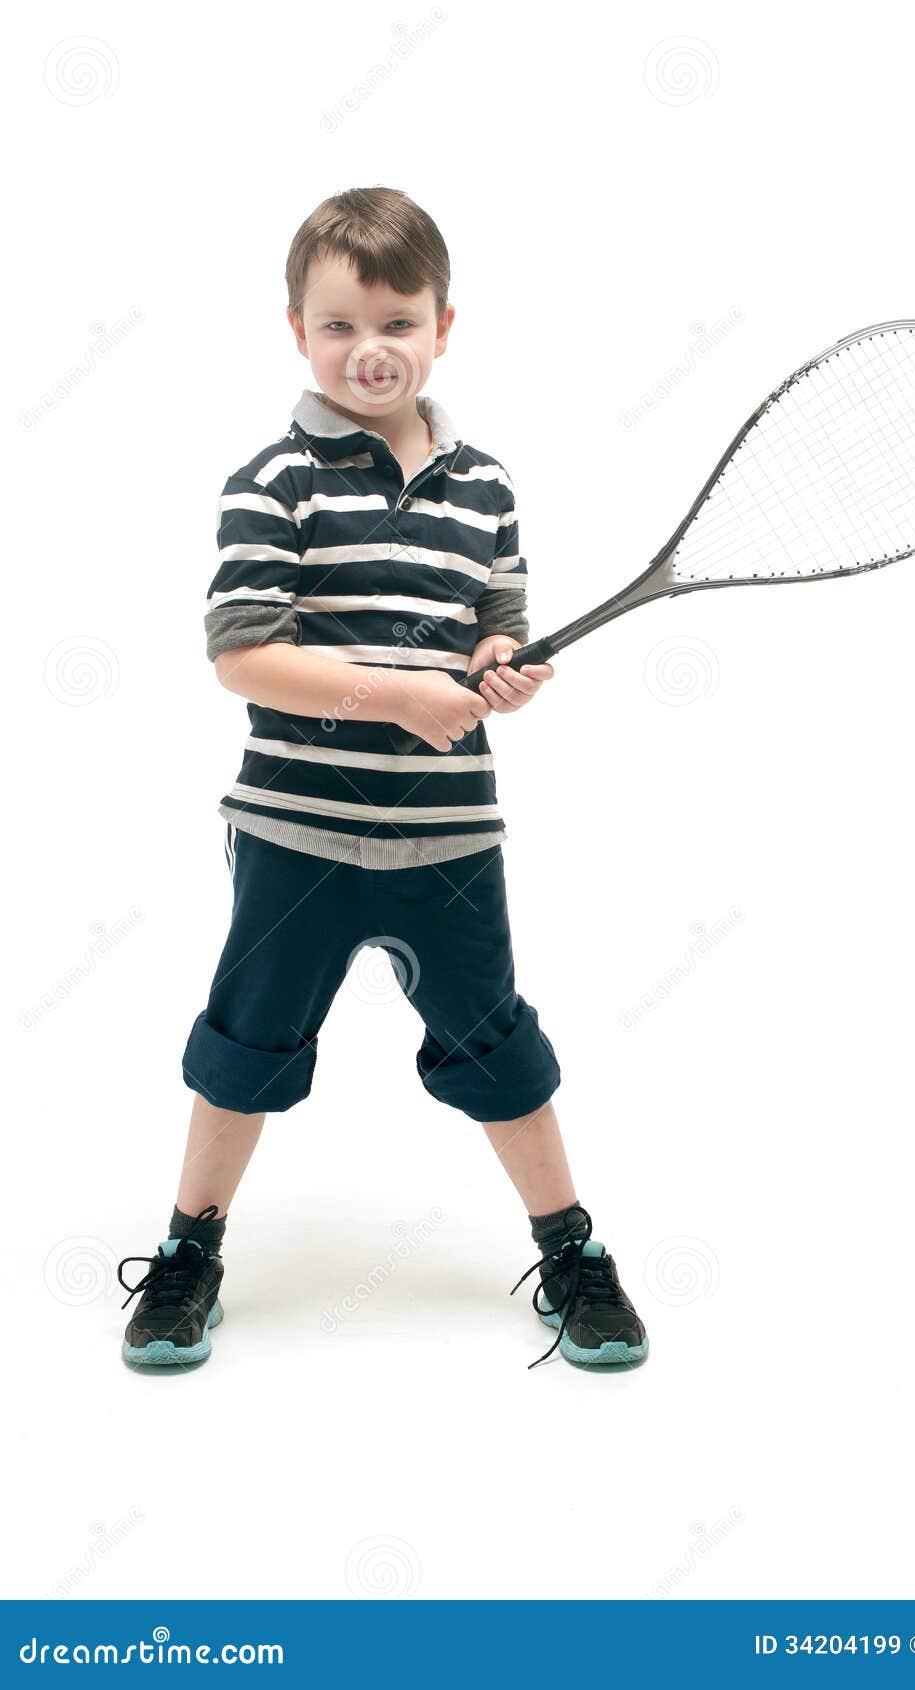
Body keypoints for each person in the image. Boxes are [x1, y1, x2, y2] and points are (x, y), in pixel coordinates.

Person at [116, 186, 648, 1374]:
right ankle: (189, 1251)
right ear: (298, 332)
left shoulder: (490, 485)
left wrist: (501, 668)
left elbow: (497, 628)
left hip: (449, 841)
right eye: (342, 323)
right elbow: (243, 654)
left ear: (445, 326)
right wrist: (402, 696)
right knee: (246, 1043)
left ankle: (570, 1250)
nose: (372, 348)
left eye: (398, 321)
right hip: (295, 836)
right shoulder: (275, 482)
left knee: (498, 1044)